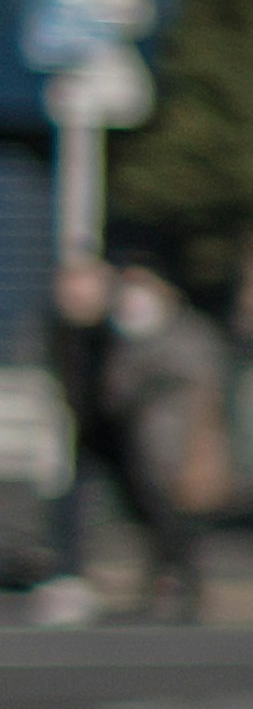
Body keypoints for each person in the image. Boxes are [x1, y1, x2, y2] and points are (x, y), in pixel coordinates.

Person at [101, 264, 225, 622]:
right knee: (152, 515)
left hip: (182, 440)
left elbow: (203, 384)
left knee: (179, 517)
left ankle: (182, 582)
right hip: (144, 441)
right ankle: (162, 579)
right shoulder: (129, 336)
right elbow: (116, 390)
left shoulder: (189, 334)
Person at [36, 244, 113, 618]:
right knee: (69, 504)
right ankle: (69, 574)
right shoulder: (55, 329)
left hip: (112, 429)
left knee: (140, 501)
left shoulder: (111, 332)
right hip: (70, 429)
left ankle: (169, 571)